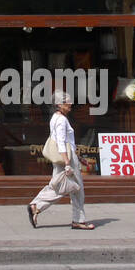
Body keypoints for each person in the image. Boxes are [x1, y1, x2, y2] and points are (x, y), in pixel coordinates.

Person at [27, 91, 94, 230]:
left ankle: (36, 206)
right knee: (77, 189)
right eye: (66, 102)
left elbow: (63, 141)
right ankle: (78, 220)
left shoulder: (55, 118)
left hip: (61, 157)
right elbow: (62, 142)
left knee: (58, 186)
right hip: (66, 157)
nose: (70, 104)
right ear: (58, 104)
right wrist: (68, 163)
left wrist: (79, 158)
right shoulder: (62, 120)